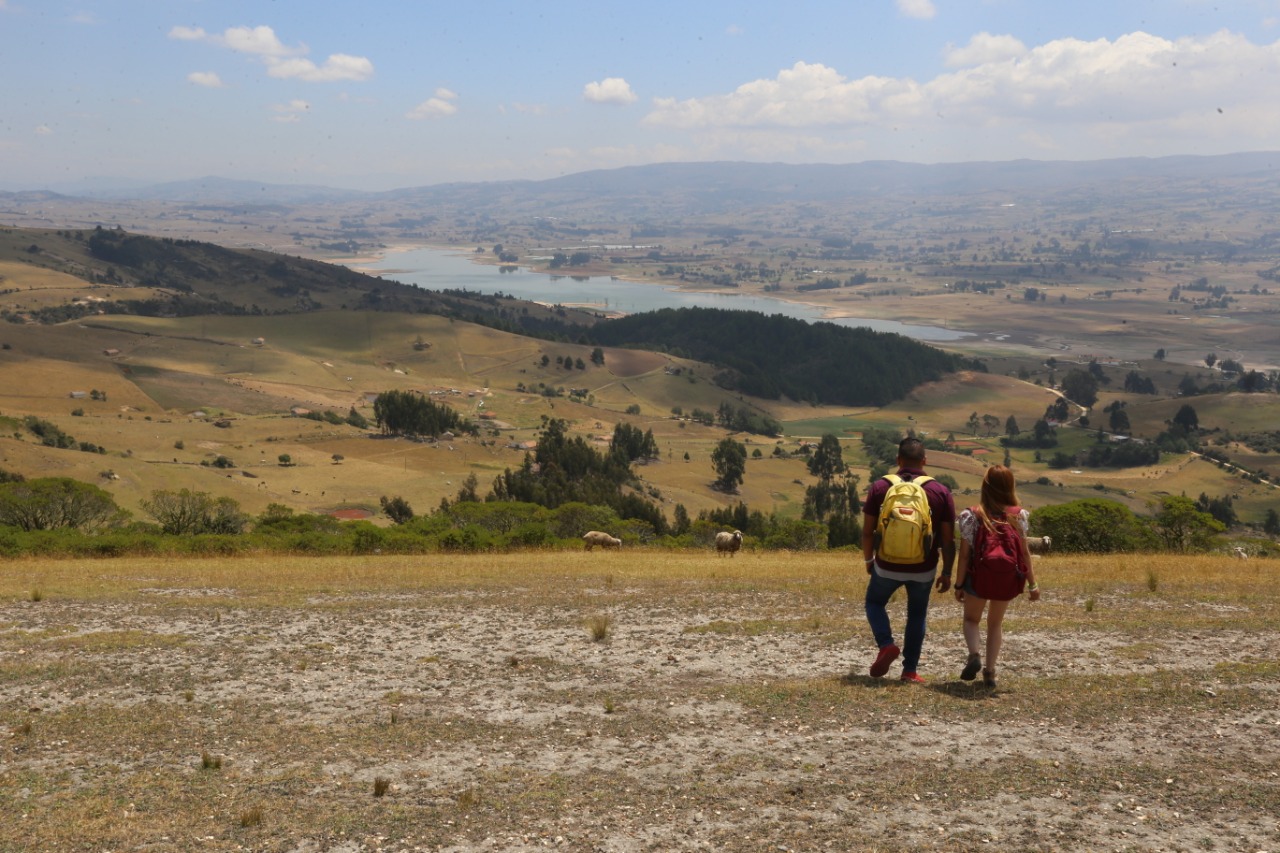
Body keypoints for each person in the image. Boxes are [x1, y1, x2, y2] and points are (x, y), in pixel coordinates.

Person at [861, 437, 956, 683]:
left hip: (886, 564)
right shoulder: (940, 491)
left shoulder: (880, 487)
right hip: (923, 568)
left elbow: (867, 531)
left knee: (874, 603)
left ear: (898, 460)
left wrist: (869, 560)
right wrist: (947, 572)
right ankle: (910, 671)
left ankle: (886, 644)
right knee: (917, 614)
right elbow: (947, 540)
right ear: (924, 461)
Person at [952, 465, 1041, 689]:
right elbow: (1024, 553)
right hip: (1006, 578)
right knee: (995, 623)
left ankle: (974, 655)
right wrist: (1033, 584)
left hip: (978, 579)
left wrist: (959, 584)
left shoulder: (971, 515)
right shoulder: (1018, 516)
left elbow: (964, 556)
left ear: (985, 486)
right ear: (1010, 487)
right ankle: (990, 672)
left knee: (972, 620)